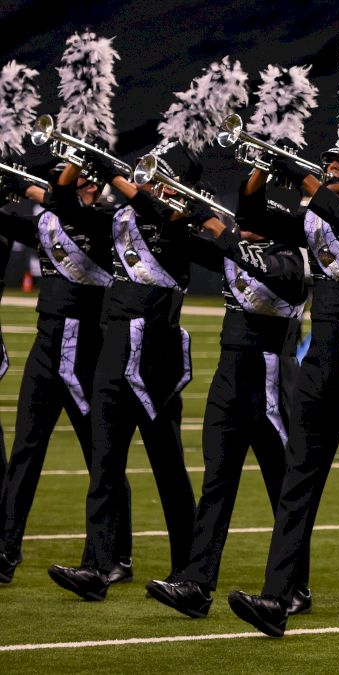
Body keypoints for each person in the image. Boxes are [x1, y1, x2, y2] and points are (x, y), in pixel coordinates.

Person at [225, 139, 339, 638]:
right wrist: (264, 170)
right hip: (320, 355)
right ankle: (277, 598)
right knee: (298, 477)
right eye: (329, 159)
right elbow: (252, 213)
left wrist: (309, 184)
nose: (329, 165)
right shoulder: (320, 212)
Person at [145, 165, 312, 618]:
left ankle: (295, 585)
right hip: (229, 373)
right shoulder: (236, 249)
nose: (243, 223)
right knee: (216, 481)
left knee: (284, 485)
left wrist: (218, 226)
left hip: (270, 377)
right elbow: (182, 242)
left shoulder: (293, 261)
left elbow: (252, 261)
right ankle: (197, 584)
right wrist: (177, 208)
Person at [48, 148, 199, 601]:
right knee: (105, 461)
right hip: (113, 346)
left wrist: (116, 174)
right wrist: (80, 160)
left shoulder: (181, 218)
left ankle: (189, 570)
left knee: (167, 464)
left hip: (156, 354)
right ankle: (98, 565)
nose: (148, 180)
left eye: (158, 175)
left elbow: (157, 210)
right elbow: (61, 203)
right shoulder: (119, 219)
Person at [0, 168, 117, 584]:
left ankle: (108, 556)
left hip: (86, 346)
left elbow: (64, 205)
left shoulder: (106, 221)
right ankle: (4, 550)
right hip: (46, 340)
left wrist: (32, 187)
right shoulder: (50, 222)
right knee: (25, 451)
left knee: (100, 454)